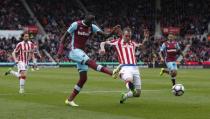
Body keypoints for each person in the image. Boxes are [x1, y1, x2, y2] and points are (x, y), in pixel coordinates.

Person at [57, 14, 121, 107]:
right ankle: (111, 73)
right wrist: (60, 50)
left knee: (83, 79)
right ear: (85, 19)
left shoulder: (92, 26)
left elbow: (105, 36)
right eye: (90, 22)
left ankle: (69, 100)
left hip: (81, 52)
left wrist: (113, 32)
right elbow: (64, 36)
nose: (91, 24)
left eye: (92, 22)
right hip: (74, 51)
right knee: (89, 61)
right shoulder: (76, 24)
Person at [99, 27, 149, 104]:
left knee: (138, 94)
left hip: (135, 68)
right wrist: (102, 49)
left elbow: (142, 46)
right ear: (122, 35)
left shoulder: (132, 43)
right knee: (129, 80)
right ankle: (131, 87)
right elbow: (102, 43)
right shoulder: (117, 42)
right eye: (126, 36)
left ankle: (125, 96)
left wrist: (145, 38)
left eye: (129, 36)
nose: (128, 38)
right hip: (125, 67)